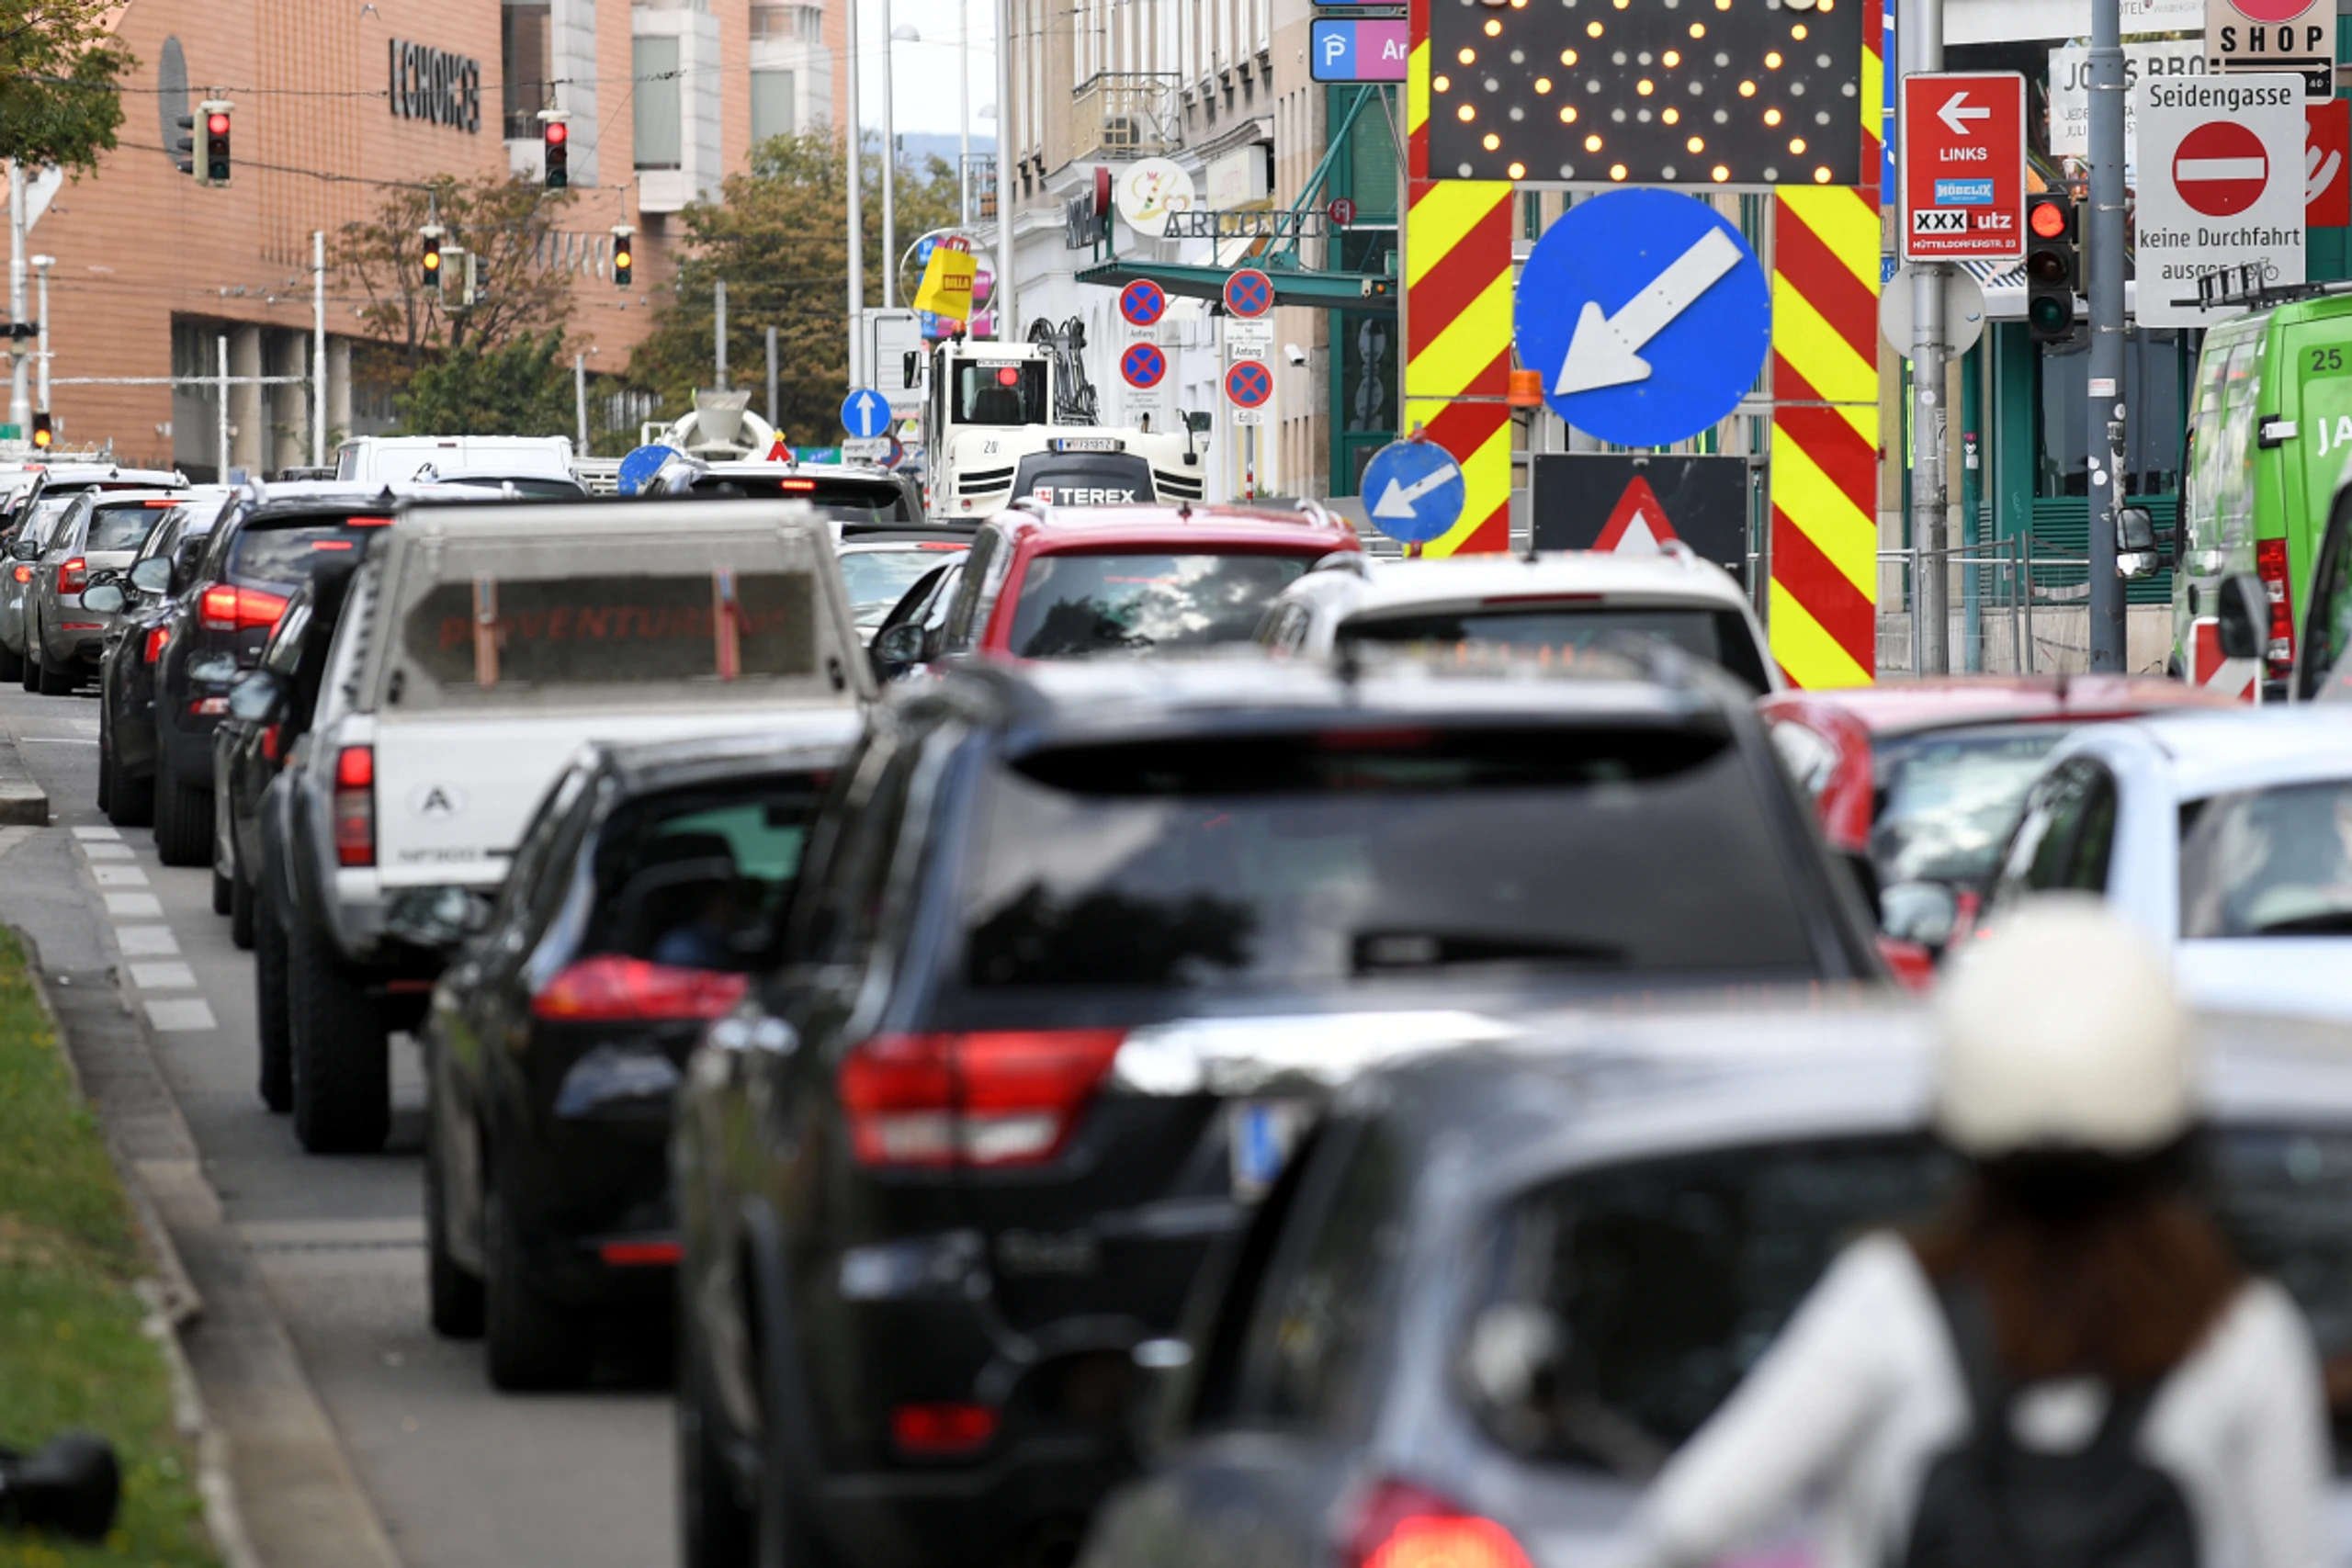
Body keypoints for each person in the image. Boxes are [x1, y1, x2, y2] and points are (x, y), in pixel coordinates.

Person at [1610, 895, 2330, 1568]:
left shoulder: (1887, 1300)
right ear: (2175, 1134)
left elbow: (1686, 1524)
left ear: (1957, 1127)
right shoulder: (2242, 1331)